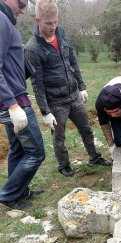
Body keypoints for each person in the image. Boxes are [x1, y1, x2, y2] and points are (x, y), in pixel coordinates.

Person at [25, 0, 111, 177]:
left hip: (74, 96)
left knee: (86, 128)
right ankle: (64, 166)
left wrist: (82, 87)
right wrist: (45, 111)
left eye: (55, 22)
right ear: (37, 20)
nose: (53, 26)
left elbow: (73, 62)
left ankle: (94, 157)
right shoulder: (32, 48)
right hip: (56, 102)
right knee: (59, 137)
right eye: (48, 23)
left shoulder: (62, 35)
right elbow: (37, 83)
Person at [0, 0, 45, 208]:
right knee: (36, 153)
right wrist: (12, 105)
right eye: (21, 2)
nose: (23, 8)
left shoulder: (7, 22)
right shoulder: (1, 20)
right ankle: (9, 195)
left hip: (14, 99)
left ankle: (19, 192)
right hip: (14, 102)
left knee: (18, 150)